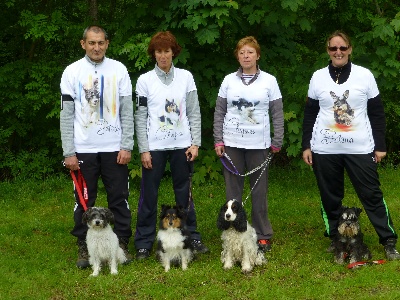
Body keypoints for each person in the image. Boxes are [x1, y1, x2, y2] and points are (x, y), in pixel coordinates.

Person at [302, 30, 400, 260]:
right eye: (333, 48)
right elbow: (310, 114)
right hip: (325, 149)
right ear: (328, 50)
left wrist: (380, 145)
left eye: (342, 48)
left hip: (360, 147)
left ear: (350, 49)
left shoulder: (364, 76)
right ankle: (336, 238)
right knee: (330, 197)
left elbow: (377, 113)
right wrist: (307, 145)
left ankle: (388, 240)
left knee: (371, 194)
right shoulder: (317, 77)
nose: (338, 52)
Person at [60, 25, 134, 268]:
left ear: (107, 43)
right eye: (91, 43)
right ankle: (84, 244)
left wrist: (126, 145)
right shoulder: (72, 72)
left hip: (114, 148)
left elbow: (127, 111)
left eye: (101, 43)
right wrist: (69, 151)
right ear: (83, 44)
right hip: (83, 149)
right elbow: (66, 115)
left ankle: (121, 241)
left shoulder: (119, 69)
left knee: (119, 197)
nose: (96, 47)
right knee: (83, 200)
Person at [134, 31, 209, 259]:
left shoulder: (186, 77)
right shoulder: (144, 81)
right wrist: (144, 149)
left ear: (173, 52)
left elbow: (194, 112)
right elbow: (140, 117)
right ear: (153, 54)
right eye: (158, 51)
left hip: (182, 146)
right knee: (149, 196)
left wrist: (195, 143)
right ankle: (144, 242)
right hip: (154, 147)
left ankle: (191, 237)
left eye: (167, 51)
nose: (163, 56)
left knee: (184, 195)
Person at [213, 36, 284, 253]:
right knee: (233, 192)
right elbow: (220, 112)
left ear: (258, 55)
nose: (246, 56)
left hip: (258, 144)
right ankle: (233, 229)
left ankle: (262, 234)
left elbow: (277, 113)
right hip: (232, 143)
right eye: (242, 52)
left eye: (250, 52)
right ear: (238, 56)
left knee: (258, 192)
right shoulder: (228, 81)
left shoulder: (269, 81)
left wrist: (277, 140)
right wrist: (218, 140)